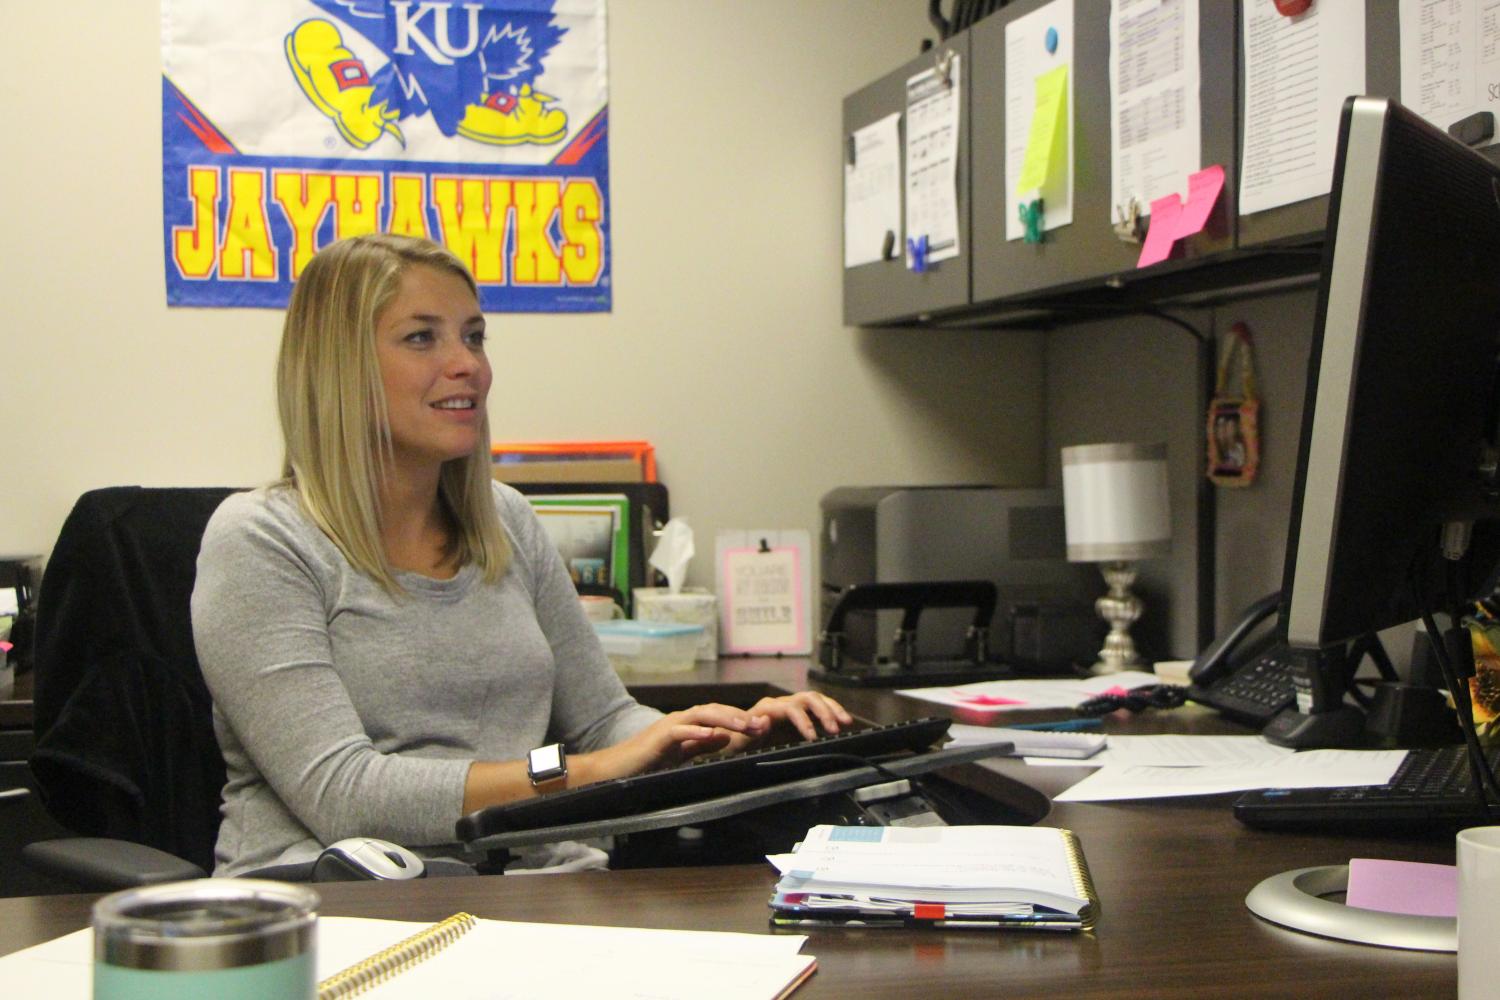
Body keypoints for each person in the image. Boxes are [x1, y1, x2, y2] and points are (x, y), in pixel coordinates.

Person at [191, 233, 851, 876]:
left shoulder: (506, 520)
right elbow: (345, 793)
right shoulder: (260, 541)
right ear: (339, 367)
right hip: (342, 900)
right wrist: (580, 773)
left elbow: (603, 721)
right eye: (422, 337)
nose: (468, 365)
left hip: (536, 885)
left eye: (473, 336)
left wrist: (708, 736)